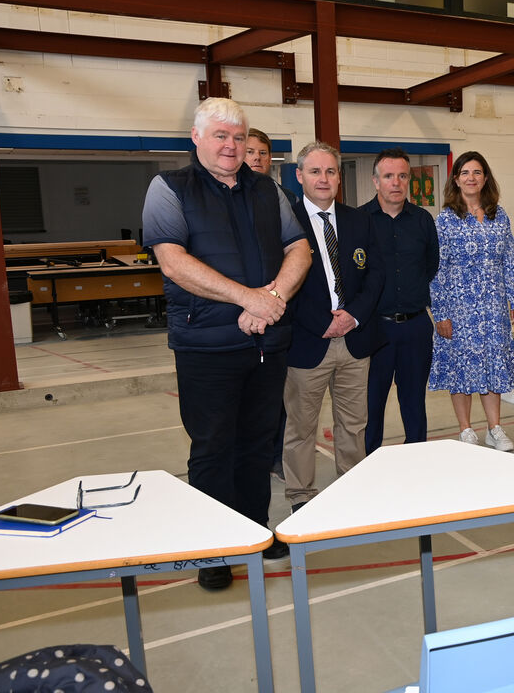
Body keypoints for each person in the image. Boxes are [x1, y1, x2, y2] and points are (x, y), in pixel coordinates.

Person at [142, 97, 311, 590]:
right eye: (220, 136)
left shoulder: (267, 190)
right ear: (196, 138)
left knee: (258, 444)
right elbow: (173, 262)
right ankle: (214, 548)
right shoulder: (168, 188)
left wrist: (273, 297)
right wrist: (251, 300)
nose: (231, 146)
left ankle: (254, 530)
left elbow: (297, 247)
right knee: (213, 448)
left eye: (239, 137)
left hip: (266, 344)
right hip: (206, 346)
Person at [281, 142, 383, 513]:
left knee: (354, 423)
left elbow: (376, 274)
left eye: (330, 172)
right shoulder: (284, 222)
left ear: (339, 177)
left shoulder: (359, 220)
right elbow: (282, 284)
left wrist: (352, 316)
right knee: (301, 427)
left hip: (355, 338)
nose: (323, 179)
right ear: (299, 176)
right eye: (314, 171)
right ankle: (300, 495)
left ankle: (351, 484)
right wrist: (323, 322)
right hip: (309, 342)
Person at [429, 151, 514, 452]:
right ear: (456, 180)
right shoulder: (445, 220)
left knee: (492, 367)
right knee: (462, 369)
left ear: (485, 178)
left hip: (494, 307)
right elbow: (437, 268)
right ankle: (465, 428)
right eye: (465, 173)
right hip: (459, 310)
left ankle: (495, 428)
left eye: (477, 172)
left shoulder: (500, 215)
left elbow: (510, 258)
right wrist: (441, 312)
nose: (471, 178)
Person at [361, 148, 440, 454]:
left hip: (415, 327)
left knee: (413, 400)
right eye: (389, 176)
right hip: (373, 329)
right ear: (376, 181)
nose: (396, 182)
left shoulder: (422, 220)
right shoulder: (359, 220)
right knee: (371, 401)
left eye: (402, 176)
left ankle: (416, 458)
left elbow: (431, 264)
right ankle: (369, 461)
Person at [246, 127, 294, 483]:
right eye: (251, 152)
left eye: (263, 153)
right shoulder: (225, 200)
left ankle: (276, 456)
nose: (257, 158)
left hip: (280, 308)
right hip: (241, 310)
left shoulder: (286, 199)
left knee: (279, 395)